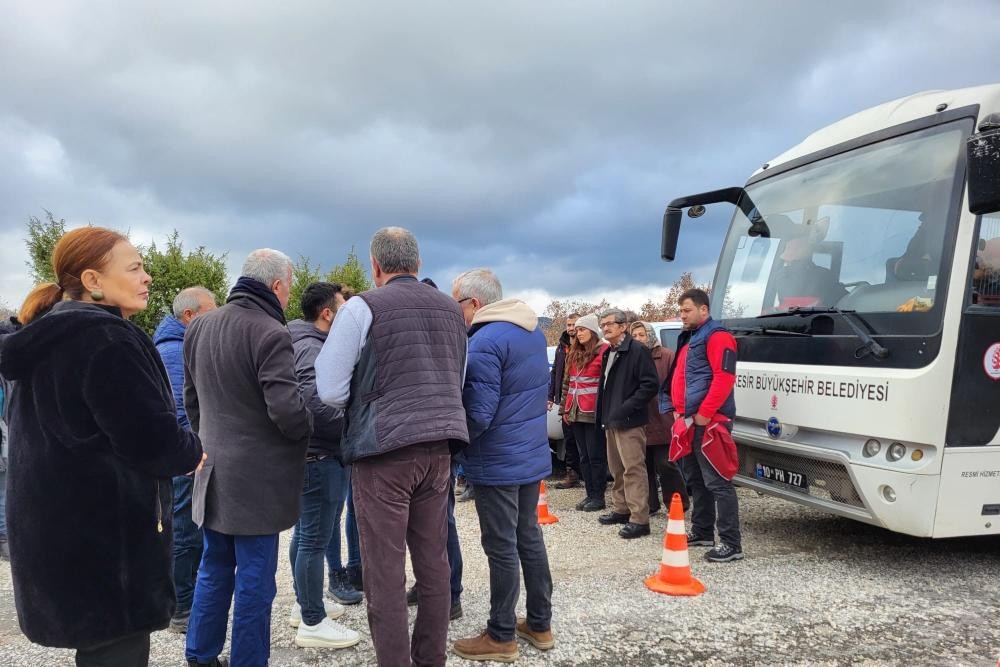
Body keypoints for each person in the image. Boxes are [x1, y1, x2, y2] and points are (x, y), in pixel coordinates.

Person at [0, 227, 204, 666]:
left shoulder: (48, 334)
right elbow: (151, 438)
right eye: (135, 267)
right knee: (117, 651)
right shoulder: (105, 338)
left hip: (59, 534)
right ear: (92, 281)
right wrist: (193, 451)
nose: (147, 276)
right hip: (109, 549)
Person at [315, 227, 469, 667]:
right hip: (438, 447)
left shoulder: (363, 306)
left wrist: (369, 397)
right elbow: (456, 380)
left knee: (383, 571)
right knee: (433, 561)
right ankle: (430, 660)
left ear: (376, 266)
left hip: (384, 449)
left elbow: (328, 388)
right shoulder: (451, 310)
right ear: (418, 265)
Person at [183, 249, 314, 667]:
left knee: (213, 568)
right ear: (276, 286)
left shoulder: (199, 326)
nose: (289, 297)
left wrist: (208, 443)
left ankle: (200, 655)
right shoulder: (271, 332)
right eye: (289, 288)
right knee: (255, 581)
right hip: (256, 482)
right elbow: (287, 412)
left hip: (213, 469)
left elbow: (192, 401)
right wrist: (311, 424)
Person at [449, 269, 554, 663]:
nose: (454, 310)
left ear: (474, 303)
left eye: (456, 302)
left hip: (496, 460)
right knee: (528, 536)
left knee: (501, 545)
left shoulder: (484, 341)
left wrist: (453, 447)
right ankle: (540, 624)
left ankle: (501, 634)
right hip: (528, 454)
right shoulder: (531, 333)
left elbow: (478, 412)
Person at [287, 282, 362, 649]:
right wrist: (352, 425)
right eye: (344, 308)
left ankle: (304, 606)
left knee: (305, 536)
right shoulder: (310, 347)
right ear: (327, 313)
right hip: (319, 457)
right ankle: (312, 622)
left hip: (313, 456)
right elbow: (313, 406)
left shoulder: (306, 341)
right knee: (313, 540)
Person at [153, 286, 218, 634]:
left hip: (187, 453)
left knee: (188, 527)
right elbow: (180, 411)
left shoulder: (181, 344)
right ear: (190, 316)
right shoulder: (176, 350)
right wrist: (194, 453)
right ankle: (182, 607)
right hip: (184, 458)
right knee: (184, 529)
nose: (218, 314)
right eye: (212, 309)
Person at [661, 288, 744, 563]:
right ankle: (703, 531)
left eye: (686, 310)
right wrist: (675, 409)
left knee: (718, 482)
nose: (682, 315)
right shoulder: (692, 338)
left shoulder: (719, 337)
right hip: (690, 422)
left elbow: (724, 377)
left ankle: (731, 544)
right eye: (681, 310)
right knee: (697, 481)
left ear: (704, 310)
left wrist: (705, 415)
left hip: (709, 423)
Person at [407, 276, 466, 623]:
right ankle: (431, 586)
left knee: (442, 523)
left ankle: (451, 594)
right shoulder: (444, 332)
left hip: (438, 440)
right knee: (430, 524)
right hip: (435, 437)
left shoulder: (445, 334)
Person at [595, 308, 658, 539]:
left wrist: (626, 408)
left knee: (634, 469)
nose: (605, 328)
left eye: (610, 324)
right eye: (603, 324)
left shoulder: (638, 351)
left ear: (623, 326)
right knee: (616, 469)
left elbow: (650, 385)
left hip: (630, 421)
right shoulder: (608, 352)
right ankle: (621, 509)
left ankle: (639, 519)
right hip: (611, 420)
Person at [629, 321, 689, 514]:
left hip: (663, 417)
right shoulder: (632, 357)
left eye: (642, 334)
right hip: (640, 418)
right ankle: (650, 504)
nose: (638, 339)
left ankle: (677, 504)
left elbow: (678, 385)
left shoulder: (667, 356)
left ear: (650, 335)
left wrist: (676, 409)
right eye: (635, 335)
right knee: (644, 466)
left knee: (666, 463)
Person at [559, 313, 609, 512]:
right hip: (575, 411)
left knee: (596, 455)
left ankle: (598, 496)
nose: (578, 333)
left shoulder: (604, 351)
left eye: (582, 329)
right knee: (584, 456)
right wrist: (564, 408)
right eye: (577, 330)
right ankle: (590, 494)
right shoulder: (573, 352)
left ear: (593, 331)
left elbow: (606, 383)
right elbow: (567, 383)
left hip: (594, 412)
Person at [549, 313, 582, 489]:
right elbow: (555, 371)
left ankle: (588, 476)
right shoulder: (562, 346)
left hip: (582, 400)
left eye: (574, 324)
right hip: (564, 399)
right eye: (568, 324)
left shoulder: (586, 346)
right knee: (568, 439)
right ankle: (572, 474)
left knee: (583, 440)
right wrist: (550, 396)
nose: (571, 328)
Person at [773, 234, 847, 309]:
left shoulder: (782, 276)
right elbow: (846, 301)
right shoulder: (825, 274)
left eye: (787, 259)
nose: (786, 262)